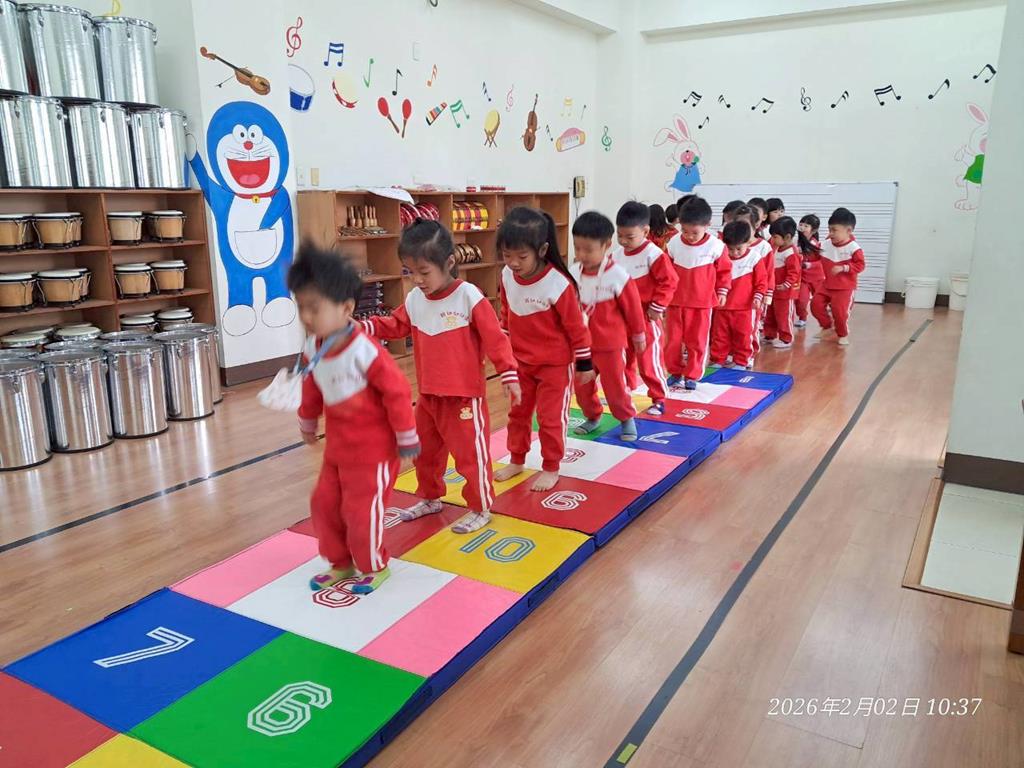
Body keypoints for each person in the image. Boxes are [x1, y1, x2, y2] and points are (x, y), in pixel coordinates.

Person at [361, 220, 521, 534]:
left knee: (470, 457)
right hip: (428, 397)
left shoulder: (468, 296)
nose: (417, 279)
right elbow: (394, 325)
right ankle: (430, 497)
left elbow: (495, 338)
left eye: (424, 271)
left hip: (463, 399)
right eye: (410, 272)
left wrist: (509, 373)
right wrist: (364, 327)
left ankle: (480, 507)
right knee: (424, 453)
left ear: (449, 263)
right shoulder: (415, 299)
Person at [291, 243, 419, 595]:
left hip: (374, 453)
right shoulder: (313, 347)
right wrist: (307, 419)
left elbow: (396, 392)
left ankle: (374, 564)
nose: (306, 317)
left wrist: (406, 436)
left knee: (361, 512)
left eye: (314, 308)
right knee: (324, 505)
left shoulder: (365, 351)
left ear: (346, 308)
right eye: (301, 307)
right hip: (338, 450)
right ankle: (340, 562)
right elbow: (311, 386)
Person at [494, 207, 594, 492]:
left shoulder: (558, 283)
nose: (513, 262)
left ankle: (551, 466)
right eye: (507, 255)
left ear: (542, 250)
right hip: (520, 363)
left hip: (554, 366)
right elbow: (506, 314)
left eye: (521, 256)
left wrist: (584, 364)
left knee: (550, 419)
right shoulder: (507, 275)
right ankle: (516, 459)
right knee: (518, 414)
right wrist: (504, 356)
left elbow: (576, 328)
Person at [570, 211, 646, 440]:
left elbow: (633, 308)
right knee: (581, 387)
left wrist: (639, 335)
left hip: (610, 345)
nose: (581, 255)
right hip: (582, 347)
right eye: (577, 248)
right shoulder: (573, 273)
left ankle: (626, 418)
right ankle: (593, 415)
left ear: (606, 246)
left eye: (588, 249)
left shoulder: (618, 275)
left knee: (615, 386)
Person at [613, 200, 677, 414]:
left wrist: (657, 306)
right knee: (623, 358)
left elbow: (669, 281)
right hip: (622, 317)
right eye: (619, 235)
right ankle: (626, 391)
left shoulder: (654, 254)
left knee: (649, 359)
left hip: (646, 316)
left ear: (645, 231)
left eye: (629, 237)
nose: (623, 241)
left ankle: (659, 397)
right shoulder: (616, 255)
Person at [665, 195, 731, 389]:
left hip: (701, 303)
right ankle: (675, 371)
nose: (689, 236)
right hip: (675, 302)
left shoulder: (716, 246)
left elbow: (725, 271)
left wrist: (722, 291)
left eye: (694, 232)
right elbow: (665, 271)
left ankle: (692, 375)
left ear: (707, 225)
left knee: (697, 341)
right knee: (672, 341)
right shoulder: (674, 243)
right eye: (684, 231)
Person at [710, 221, 767, 370]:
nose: (734, 253)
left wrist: (758, 296)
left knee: (744, 335)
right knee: (719, 335)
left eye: (738, 249)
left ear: (748, 242)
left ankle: (742, 360)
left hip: (745, 308)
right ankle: (718, 359)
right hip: (722, 307)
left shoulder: (754, 258)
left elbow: (761, 281)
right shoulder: (720, 257)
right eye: (730, 249)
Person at [811, 207, 865, 346]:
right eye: (829, 229)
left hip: (844, 288)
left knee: (840, 313)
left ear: (849, 231)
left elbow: (860, 265)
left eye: (834, 230)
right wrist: (804, 254)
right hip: (826, 285)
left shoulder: (854, 248)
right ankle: (827, 327)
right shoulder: (825, 244)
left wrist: (844, 268)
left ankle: (843, 334)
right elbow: (814, 256)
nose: (831, 233)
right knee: (815, 305)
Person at [731, 205, 774, 357]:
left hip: (754, 297)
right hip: (732, 298)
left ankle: (749, 354)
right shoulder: (730, 246)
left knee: (751, 327)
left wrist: (767, 295)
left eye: (745, 225)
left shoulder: (763, 247)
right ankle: (732, 353)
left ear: (756, 225)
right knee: (730, 328)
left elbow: (768, 273)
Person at [764, 216, 801, 348]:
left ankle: (786, 338)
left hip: (786, 293)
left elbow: (794, 272)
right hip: (774, 289)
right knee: (770, 313)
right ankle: (769, 334)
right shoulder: (777, 248)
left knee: (784, 315)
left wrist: (786, 284)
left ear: (787, 237)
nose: (772, 240)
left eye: (775, 237)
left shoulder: (791, 253)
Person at [795, 214, 823, 328]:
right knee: (801, 301)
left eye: (806, 226)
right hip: (803, 279)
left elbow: (822, 262)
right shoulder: (795, 242)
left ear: (814, 230)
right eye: (801, 224)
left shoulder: (816, 245)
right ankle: (802, 318)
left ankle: (827, 319)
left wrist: (810, 265)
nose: (802, 227)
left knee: (820, 302)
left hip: (817, 278)